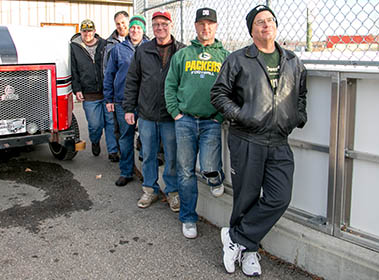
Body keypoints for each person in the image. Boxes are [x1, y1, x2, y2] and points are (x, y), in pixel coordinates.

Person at [210, 5, 308, 277]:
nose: (266, 25)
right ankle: (249, 252)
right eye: (260, 22)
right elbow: (218, 95)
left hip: (279, 140)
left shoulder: (293, 61)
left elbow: (301, 93)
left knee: (279, 198)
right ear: (252, 30)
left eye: (270, 20)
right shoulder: (238, 59)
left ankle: (236, 239)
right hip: (247, 138)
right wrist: (242, 115)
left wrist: (298, 115)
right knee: (246, 197)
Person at [164, 7, 228, 239]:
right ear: (195, 26)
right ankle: (189, 218)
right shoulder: (182, 55)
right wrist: (175, 113)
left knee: (210, 164)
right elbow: (170, 85)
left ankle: (215, 176)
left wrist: (220, 116)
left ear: (216, 26)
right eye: (201, 23)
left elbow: (232, 89)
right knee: (185, 171)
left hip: (211, 121)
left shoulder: (225, 56)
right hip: (185, 121)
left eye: (210, 23)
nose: (205, 27)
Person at [123, 11, 186, 210]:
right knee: (148, 154)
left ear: (171, 25)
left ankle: (173, 192)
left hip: (171, 115)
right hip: (147, 114)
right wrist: (129, 108)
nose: (160, 28)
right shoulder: (143, 51)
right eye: (156, 24)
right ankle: (150, 190)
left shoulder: (181, 51)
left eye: (164, 24)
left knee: (171, 155)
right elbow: (133, 80)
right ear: (152, 27)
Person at [104, 15, 149, 187]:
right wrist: (109, 98)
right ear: (128, 30)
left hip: (145, 101)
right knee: (125, 136)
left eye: (138, 27)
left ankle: (147, 172)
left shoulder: (150, 48)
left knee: (146, 137)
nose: (135, 30)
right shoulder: (118, 50)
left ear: (143, 30)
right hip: (123, 101)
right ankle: (126, 171)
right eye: (132, 27)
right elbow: (109, 74)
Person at [70, 19, 118, 161]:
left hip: (107, 92)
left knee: (110, 123)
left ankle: (113, 151)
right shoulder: (74, 47)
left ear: (94, 31)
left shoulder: (104, 45)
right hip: (89, 94)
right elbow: (73, 69)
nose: (87, 34)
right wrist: (77, 89)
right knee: (95, 125)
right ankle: (95, 141)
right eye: (84, 31)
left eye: (90, 31)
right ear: (81, 32)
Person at [103, 11, 129, 75]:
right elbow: (106, 67)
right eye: (118, 24)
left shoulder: (137, 41)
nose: (121, 26)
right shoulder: (108, 44)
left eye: (123, 23)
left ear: (129, 22)